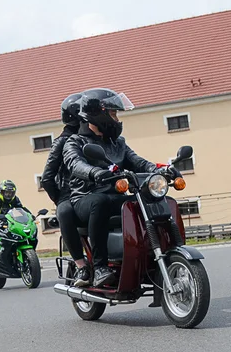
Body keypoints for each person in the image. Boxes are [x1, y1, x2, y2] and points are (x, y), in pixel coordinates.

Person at [62, 88, 163, 288]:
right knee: (99, 202)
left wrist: (160, 169)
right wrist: (94, 172)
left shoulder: (118, 143)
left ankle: (152, 253)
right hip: (85, 197)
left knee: (150, 199)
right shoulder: (74, 142)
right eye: (113, 113)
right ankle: (99, 267)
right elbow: (75, 164)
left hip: (114, 195)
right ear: (98, 113)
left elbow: (138, 162)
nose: (117, 119)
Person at [40, 93, 89, 286]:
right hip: (69, 193)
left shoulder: (92, 136)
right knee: (65, 212)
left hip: (91, 191)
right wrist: (60, 198)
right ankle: (80, 264)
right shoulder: (62, 141)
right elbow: (46, 178)